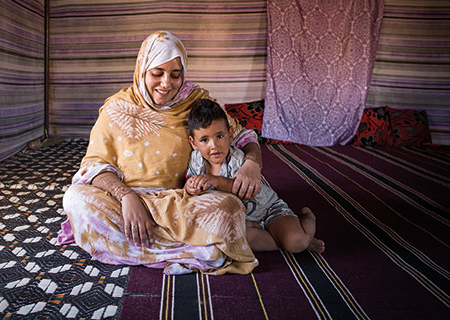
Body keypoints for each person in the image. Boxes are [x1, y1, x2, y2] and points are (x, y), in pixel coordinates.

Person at [58, 31, 263, 275]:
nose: (166, 83)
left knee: (229, 208)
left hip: (180, 203)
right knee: (75, 198)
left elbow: (243, 136)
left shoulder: (195, 102)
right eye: (158, 73)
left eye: (175, 75)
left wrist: (252, 164)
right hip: (124, 205)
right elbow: (93, 166)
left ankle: (131, 246)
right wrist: (127, 197)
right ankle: (199, 251)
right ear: (142, 69)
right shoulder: (117, 108)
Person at [185, 99, 325, 254]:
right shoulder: (196, 160)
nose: (214, 145)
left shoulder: (237, 158)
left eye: (220, 136)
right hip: (245, 220)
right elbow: (192, 187)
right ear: (193, 142)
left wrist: (215, 180)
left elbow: (240, 190)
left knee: (296, 243)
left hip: (268, 209)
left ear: (230, 134)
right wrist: (191, 187)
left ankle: (307, 225)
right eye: (205, 140)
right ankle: (282, 240)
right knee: (237, 238)